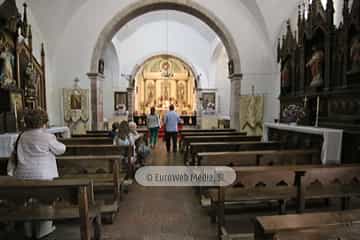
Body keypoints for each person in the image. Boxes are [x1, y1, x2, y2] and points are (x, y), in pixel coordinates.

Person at [14, 108, 66, 239]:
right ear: (43, 122)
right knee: (45, 200)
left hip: (23, 175)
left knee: (26, 200)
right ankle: (43, 229)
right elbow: (61, 149)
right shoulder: (47, 136)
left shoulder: (22, 136)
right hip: (43, 176)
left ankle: (27, 230)